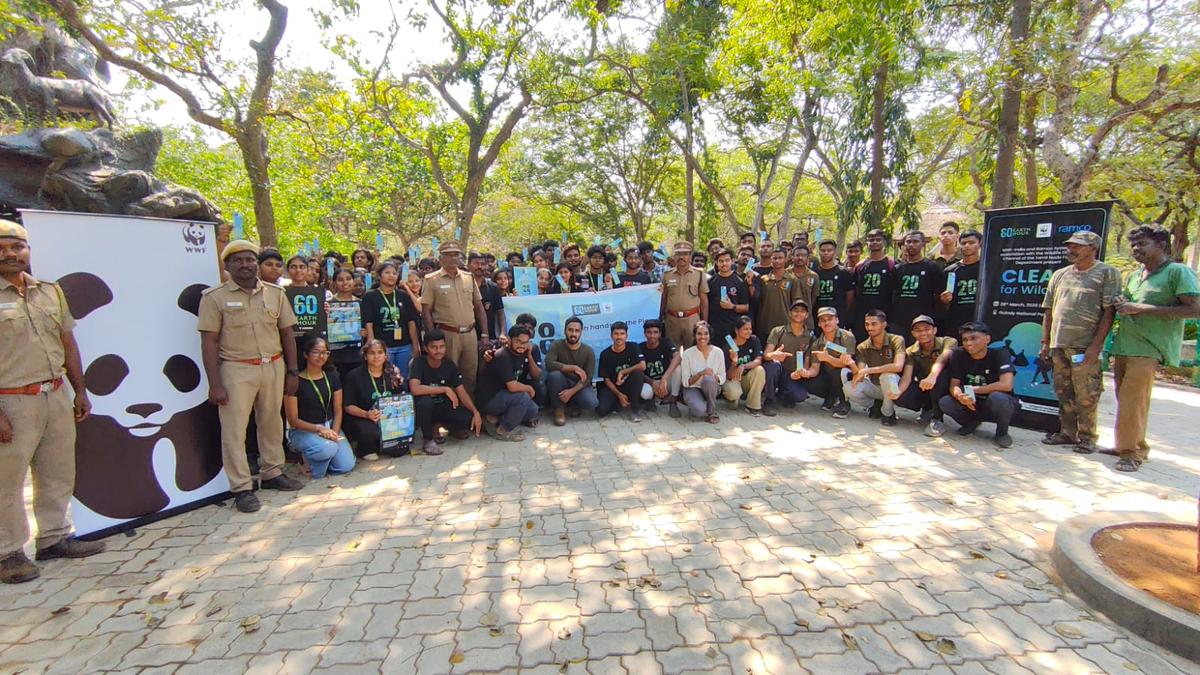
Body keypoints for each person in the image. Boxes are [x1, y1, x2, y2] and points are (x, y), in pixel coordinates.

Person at [0, 219, 105, 584]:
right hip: (11, 401)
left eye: (17, 247)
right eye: (2, 248)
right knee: (7, 480)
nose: (10, 254)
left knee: (56, 470)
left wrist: (80, 389)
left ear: (28, 251)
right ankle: (9, 552)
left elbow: (67, 343)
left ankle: (54, 538)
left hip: (56, 392)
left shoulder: (49, 291)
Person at [198, 240, 304, 514]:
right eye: (238, 261)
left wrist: (292, 371)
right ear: (227, 266)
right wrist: (215, 383)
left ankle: (272, 472)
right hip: (236, 368)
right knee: (234, 431)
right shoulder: (214, 297)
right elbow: (209, 342)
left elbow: (287, 333)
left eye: (249, 260)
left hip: (273, 365)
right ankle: (242, 487)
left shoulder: (275, 293)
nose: (245, 265)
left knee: (271, 423)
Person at [1109, 225, 1200, 471]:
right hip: (1126, 344)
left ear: (1161, 245)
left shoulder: (1177, 272)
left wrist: (1143, 309)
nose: (1136, 249)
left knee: (1132, 401)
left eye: (1142, 244)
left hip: (1149, 347)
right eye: (1134, 245)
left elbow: (1195, 310)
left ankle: (1131, 453)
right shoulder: (1137, 275)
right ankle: (1130, 444)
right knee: (1126, 399)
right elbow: (1132, 304)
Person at [1039, 230, 1121, 454]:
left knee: (1087, 393)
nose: (1071, 249)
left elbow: (1109, 312)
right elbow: (1048, 310)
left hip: (1085, 346)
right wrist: (1046, 341)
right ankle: (1068, 432)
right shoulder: (1060, 274)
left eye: (1077, 246)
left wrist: (1096, 347)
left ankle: (1087, 437)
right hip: (1059, 344)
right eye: (1070, 245)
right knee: (1063, 391)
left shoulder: (1107, 273)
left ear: (1092, 248)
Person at [421, 240, 490, 394]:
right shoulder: (431, 280)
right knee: (448, 375)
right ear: (441, 258)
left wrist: (484, 334)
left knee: (470, 376)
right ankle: (451, 411)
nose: (453, 258)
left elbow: (479, 307)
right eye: (448, 255)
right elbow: (426, 310)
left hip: (470, 334)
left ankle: (469, 410)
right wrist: (433, 338)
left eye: (456, 254)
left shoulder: (468, 277)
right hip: (447, 335)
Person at [284, 338, 356, 479]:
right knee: (328, 448)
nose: (321, 356)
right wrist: (319, 429)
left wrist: (334, 433)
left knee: (346, 466)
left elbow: (338, 410)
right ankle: (312, 467)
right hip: (304, 430)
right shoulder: (295, 381)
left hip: (329, 427)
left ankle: (317, 459)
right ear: (306, 354)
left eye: (325, 352)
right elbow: (293, 420)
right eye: (316, 352)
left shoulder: (332, 375)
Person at [939, 321, 1018, 448]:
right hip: (972, 402)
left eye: (974, 338)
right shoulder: (958, 354)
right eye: (965, 340)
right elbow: (954, 385)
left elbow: (1006, 384)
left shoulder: (1000, 354)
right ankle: (971, 423)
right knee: (945, 402)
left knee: (998, 397)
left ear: (987, 339)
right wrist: (960, 396)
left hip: (996, 403)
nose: (968, 343)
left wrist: (974, 390)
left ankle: (1002, 433)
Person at [409, 329, 483, 455]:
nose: (438, 351)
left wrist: (475, 412)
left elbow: (462, 392)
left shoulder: (449, 365)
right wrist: (444, 389)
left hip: (442, 407)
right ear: (425, 348)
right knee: (425, 402)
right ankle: (428, 439)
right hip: (424, 409)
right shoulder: (418, 363)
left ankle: (448, 428)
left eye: (442, 346)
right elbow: (415, 389)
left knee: (467, 417)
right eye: (434, 347)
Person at [342, 340, 407, 460]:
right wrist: (367, 414)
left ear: (385, 355)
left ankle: (381, 444)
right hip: (364, 417)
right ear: (365, 356)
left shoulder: (392, 371)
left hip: (388, 417)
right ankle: (365, 448)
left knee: (400, 451)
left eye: (380, 352)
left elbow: (403, 397)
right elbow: (348, 405)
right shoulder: (354, 376)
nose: (376, 356)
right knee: (369, 432)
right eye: (372, 353)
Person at [892, 315, 956, 436]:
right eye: (918, 330)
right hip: (925, 386)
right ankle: (928, 407)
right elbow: (907, 376)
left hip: (947, 386)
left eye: (926, 329)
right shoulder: (911, 351)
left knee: (940, 376)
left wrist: (932, 375)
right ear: (913, 333)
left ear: (934, 330)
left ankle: (937, 419)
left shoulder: (948, 341)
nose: (923, 333)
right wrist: (897, 392)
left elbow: (942, 358)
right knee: (901, 397)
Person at [475, 325, 540, 441]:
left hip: (503, 396)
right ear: (509, 340)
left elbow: (537, 375)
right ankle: (502, 430)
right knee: (523, 397)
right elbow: (512, 386)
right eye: (518, 341)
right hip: (489, 399)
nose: (522, 345)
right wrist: (529, 388)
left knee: (533, 410)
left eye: (525, 342)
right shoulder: (502, 355)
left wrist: (529, 355)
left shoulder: (523, 352)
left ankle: (491, 419)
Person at [844, 309, 906, 426]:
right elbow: (860, 374)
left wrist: (869, 370)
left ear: (884, 324)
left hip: (894, 384)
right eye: (867, 324)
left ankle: (888, 413)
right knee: (848, 388)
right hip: (874, 385)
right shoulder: (863, 346)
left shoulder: (897, 340)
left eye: (874, 324)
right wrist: (852, 364)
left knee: (887, 376)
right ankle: (873, 405)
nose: (870, 328)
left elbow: (898, 366)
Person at [362, 261, 421, 378]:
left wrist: (415, 345)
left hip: (404, 346)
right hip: (383, 347)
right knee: (386, 377)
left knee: (403, 378)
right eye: (387, 273)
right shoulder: (370, 296)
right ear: (379, 276)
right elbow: (369, 322)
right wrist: (371, 341)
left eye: (394, 273)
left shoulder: (403, 296)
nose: (391, 276)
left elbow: (411, 322)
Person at [891, 231, 945, 344]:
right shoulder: (897, 269)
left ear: (923, 244)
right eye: (908, 242)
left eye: (915, 241)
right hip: (899, 321)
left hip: (922, 321)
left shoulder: (932, 267)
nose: (911, 244)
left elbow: (938, 295)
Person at [803, 307, 856, 418]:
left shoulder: (847, 337)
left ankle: (844, 402)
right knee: (810, 382)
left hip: (846, 374)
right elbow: (815, 368)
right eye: (823, 320)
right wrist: (806, 373)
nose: (827, 322)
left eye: (830, 319)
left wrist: (828, 358)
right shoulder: (817, 343)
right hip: (827, 375)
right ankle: (830, 397)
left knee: (838, 372)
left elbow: (846, 362)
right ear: (819, 324)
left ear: (837, 320)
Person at [545, 316, 599, 425]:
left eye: (577, 331)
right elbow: (549, 364)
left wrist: (571, 392)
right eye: (570, 330)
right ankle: (559, 409)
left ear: (581, 332)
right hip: (562, 381)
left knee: (592, 402)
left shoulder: (588, 351)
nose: (573, 334)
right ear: (565, 330)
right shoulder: (556, 345)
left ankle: (574, 404)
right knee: (554, 375)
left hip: (578, 384)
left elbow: (588, 378)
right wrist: (573, 368)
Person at [763, 299, 814, 411]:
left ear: (807, 315)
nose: (798, 313)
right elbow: (766, 354)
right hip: (778, 369)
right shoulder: (778, 331)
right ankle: (769, 401)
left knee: (799, 396)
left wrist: (802, 372)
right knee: (772, 367)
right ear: (790, 313)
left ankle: (783, 394)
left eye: (802, 311)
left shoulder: (810, 337)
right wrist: (774, 355)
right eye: (795, 310)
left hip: (793, 374)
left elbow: (807, 360)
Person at [850, 229, 896, 342]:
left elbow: (895, 291)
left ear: (884, 242)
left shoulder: (892, 264)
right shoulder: (860, 266)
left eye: (878, 239)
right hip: (862, 315)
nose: (874, 242)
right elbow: (854, 290)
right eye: (871, 240)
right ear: (867, 243)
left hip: (884, 313)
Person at [660, 242, 709, 348]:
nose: (681, 257)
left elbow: (704, 300)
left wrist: (704, 321)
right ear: (674, 256)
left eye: (685, 254)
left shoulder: (699, 274)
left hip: (692, 320)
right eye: (678, 254)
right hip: (672, 320)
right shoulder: (667, 275)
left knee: (692, 352)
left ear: (690, 256)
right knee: (672, 353)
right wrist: (660, 317)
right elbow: (664, 298)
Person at [596, 322, 646, 421]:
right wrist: (619, 394)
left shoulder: (633, 347)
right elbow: (606, 380)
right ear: (611, 336)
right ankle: (618, 402)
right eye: (616, 334)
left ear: (626, 336)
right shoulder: (605, 354)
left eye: (622, 334)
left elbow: (642, 366)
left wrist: (623, 372)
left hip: (629, 385)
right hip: (613, 388)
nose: (619, 337)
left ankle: (634, 410)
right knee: (601, 411)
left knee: (638, 374)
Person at [679, 321, 726, 423]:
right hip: (693, 388)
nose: (702, 337)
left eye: (706, 333)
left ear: (710, 335)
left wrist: (712, 376)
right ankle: (701, 405)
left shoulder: (718, 352)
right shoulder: (688, 354)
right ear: (695, 336)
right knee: (699, 411)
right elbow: (686, 382)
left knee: (708, 379)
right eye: (699, 334)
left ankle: (712, 412)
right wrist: (701, 373)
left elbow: (722, 378)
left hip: (711, 387)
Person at [755, 248, 803, 343]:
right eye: (774, 258)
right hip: (765, 325)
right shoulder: (764, 279)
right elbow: (757, 300)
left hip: (785, 326)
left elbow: (796, 303)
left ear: (786, 259)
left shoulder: (792, 279)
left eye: (780, 258)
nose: (777, 261)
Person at [938, 230, 981, 336]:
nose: (967, 246)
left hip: (980, 320)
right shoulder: (950, 270)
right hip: (955, 323)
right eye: (963, 243)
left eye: (971, 243)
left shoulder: (986, 268)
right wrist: (944, 300)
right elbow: (943, 302)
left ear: (980, 243)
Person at [723, 316, 767, 415]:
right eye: (745, 329)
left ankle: (753, 405)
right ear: (737, 330)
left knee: (759, 370)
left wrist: (744, 366)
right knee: (734, 394)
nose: (749, 331)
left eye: (750, 329)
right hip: (733, 379)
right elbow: (728, 375)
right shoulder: (729, 345)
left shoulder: (754, 340)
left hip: (747, 377)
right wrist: (734, 362)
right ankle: (732, 400)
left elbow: (758, 360)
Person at [706, 248, 750, 348]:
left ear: (732, 261)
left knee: (732, 354)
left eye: (727, 260)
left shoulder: (739, 281)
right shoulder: (711, 282)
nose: (724, 264)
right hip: (714, 330)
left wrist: (732, 306)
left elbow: (746, 307)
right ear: (716, 262)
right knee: (716, 357)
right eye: (721, 261)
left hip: (732, 330)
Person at [328, 268, 366, 380]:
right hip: (335, 355)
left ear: (353, 281)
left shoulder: (361, 303)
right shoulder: (328, 304)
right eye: (340, 280)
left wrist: (365, 332)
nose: (345, 282)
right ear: (334, 283)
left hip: (356, 354)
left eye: (348, 279)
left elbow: (367, 325)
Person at [640, 319, 683, 417]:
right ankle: (650, 400)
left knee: (678, 368)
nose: (652, 336)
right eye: (649, 332)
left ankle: (673, 400)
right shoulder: (640, 348)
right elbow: (638, 372)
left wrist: (664, 378)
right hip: (651, 383)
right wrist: (652, 382)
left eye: (655, 332)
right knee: (645, 393)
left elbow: (678, 356)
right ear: (645, 333)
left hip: (666, 381)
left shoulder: (665, 342)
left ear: (660, 333)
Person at [814, 240, 853, 320]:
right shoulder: (814, 273)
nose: (826, 253)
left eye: (829, 250)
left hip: (838, 317)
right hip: (818, 317)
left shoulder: (843, 272)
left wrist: (843, 312)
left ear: (834, 252)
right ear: (819, 252)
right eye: (823, 250)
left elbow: (850, 296)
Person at [470, 252, 505, 337]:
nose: (480, 267)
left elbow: (500, 312)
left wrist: (503, 333)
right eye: (476, 263)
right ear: (468, 265)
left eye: (483, 264)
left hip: (489, 336)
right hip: (468, 335)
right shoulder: (463, 286)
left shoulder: (492, 287)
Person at [789, 245, 819, 327]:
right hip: (787, 319)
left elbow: (813, 299)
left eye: (803, 255)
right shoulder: (785, 274)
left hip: (806, 321)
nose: (800, 258)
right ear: (792, 257)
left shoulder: (814, 276)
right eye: (797, 255)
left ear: (808, 258)